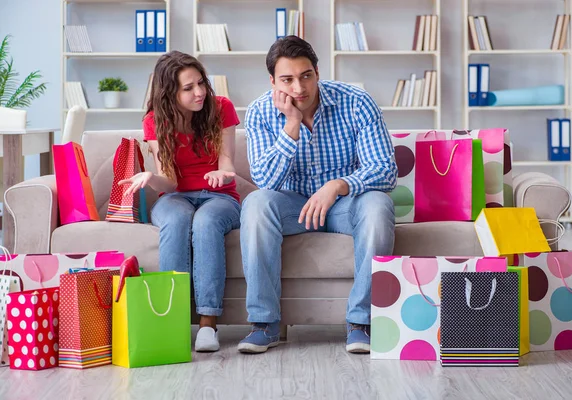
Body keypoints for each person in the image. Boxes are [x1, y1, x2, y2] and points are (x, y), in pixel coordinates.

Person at [237, 36, 398, 354]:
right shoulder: (259, 112)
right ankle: (265, 324)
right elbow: (265, 180)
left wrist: (337, 185)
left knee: (379, 205)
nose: (299, 88)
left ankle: (361, 323)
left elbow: (385, 169)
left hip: (344, 205)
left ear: (317, 72)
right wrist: (292, 124)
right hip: (292, 206)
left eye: (306, 75)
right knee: (256, 204)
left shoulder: (356, 102)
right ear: (272, 81)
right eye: (287, 79)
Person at [118, 51, 241, 352]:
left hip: (220, 196)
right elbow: (170, 181)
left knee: (207, 222)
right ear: (169, 93)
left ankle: (208, 325)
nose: (199, 92)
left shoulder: (221, 108)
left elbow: (228, 164)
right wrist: (150, 178)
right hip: (175, 196)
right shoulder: (154, 121)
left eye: (201, 83)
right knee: (175, 219)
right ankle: (170, 321)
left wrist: (221, 174)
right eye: (188, 88)